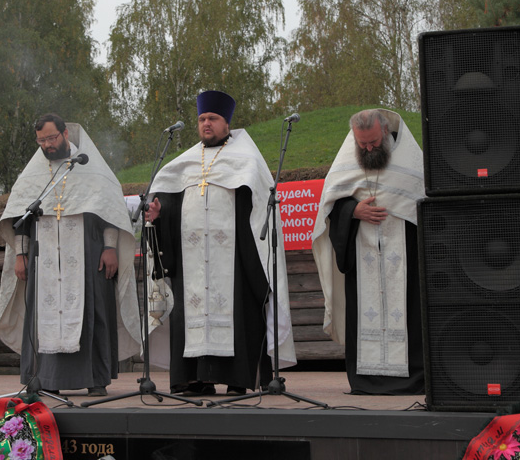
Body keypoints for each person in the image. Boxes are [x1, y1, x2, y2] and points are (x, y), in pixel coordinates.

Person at [145, 90, 296, 396]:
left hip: (235, 260)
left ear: (227, 123)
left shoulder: (247, 161)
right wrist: (159, 217)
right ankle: (196, 380)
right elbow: (170, 208)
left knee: (238, 314)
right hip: (191, 263)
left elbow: (259, 211)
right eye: (202, 119)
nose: (206, 124)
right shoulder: (183, 164)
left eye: (212, 118)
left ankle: (237, 381)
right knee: (191, 313)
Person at [0, 114, 141, 396]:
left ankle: (95, 379)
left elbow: (109, 212)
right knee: (43, 314)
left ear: (65, 134)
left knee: (93, 312)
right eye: (41, 141)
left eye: (52, 138)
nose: (47, 145)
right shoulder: (34, 174)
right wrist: (21, 255)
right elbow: (20, 219)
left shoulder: (91, 168)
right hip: (44, 258)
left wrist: (110, 248)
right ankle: (46, 379)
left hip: (88, 255)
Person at [312, 109, 425, 395]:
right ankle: (366, 380)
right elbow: (331, 206)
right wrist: (353, 211)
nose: (369, 149)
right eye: (362, 144)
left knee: (409, 309)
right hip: (361, 254)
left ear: (385, 131)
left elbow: (422, 204)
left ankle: (411, 379)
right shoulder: (346, 163)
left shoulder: (411, 161)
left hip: (404, 256)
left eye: (373, 142)